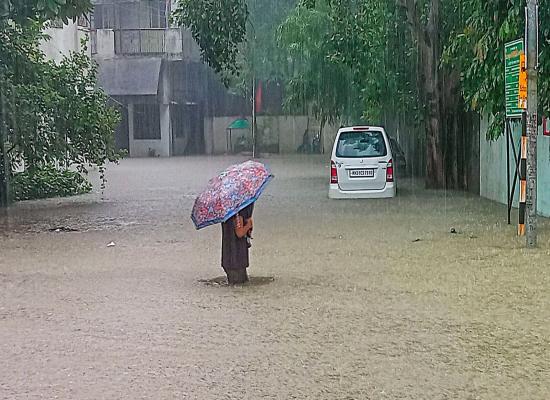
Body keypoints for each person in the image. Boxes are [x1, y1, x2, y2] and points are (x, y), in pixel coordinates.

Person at [221, 203, 254, 284]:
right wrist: (248, 225)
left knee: (233, 285)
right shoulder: (238, 214)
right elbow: (239, 233)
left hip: (227, 257)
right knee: (240, 285)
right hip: (237, 258)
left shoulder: (225, 212)